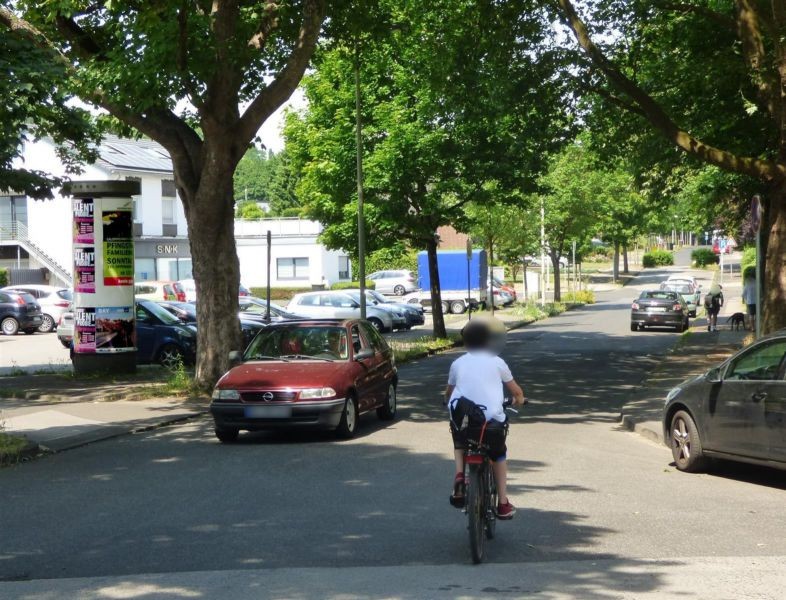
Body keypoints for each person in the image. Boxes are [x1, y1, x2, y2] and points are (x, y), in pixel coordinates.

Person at [444, 318, 525, 520]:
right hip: (491, 425)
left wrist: (447, 402)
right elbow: (516, 391)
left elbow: (448, 393)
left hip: (467, 422)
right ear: (488, 341)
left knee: (460, 439)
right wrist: (519, 400)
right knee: (498, 455)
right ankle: (503, 503)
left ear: (466, 342)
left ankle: (460, 477)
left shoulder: (457, 363)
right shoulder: (498, 362)